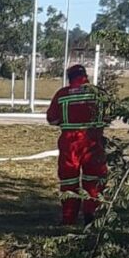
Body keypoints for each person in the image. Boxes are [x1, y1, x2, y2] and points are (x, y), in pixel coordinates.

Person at [46, 64, 107, 225]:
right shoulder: (99, 93)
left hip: (70, 143)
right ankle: (91, 216)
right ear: (85, 76)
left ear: (69, 78)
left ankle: (69, 217)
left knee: (69, 180)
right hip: (94, 141)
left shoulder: (62, 94)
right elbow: (108, 116)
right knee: (93, 178)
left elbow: (52, 119)